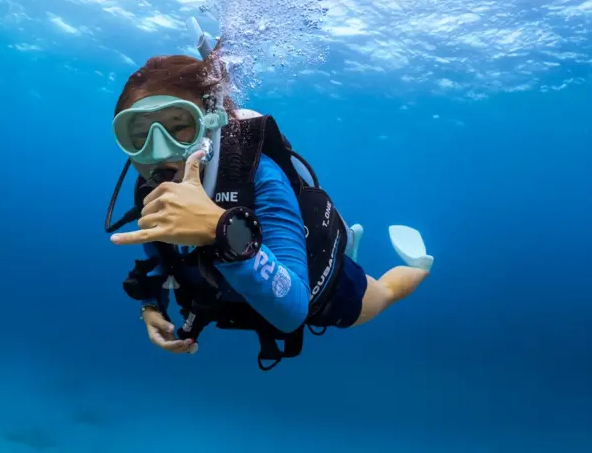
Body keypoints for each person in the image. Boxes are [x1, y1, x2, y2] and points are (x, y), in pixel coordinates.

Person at [104, 20, 434, 370]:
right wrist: (151, 306)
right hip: (234, 294)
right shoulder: (149, 185)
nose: (158, 151)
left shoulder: (258, 174)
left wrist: (220, 230)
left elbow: (292, 313)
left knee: (383, 294)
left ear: (211, 121)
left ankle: (421, 264)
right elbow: (159, 257)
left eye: (180, 126)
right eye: (138, 135)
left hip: (309, 280)